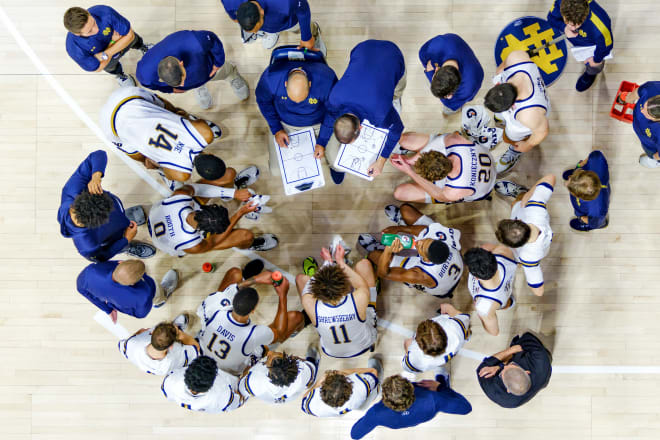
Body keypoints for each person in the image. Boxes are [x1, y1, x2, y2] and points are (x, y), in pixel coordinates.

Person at [99, 86, 247, 190]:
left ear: (211, 154)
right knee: (143, 159)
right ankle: (160, 171)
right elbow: (157, 164)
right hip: (109, 124)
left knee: (175, 112)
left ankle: (188, 122)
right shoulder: (181, 174)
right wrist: (154, 163)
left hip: (127, 97)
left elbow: (182, 118)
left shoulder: (206, 134)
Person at [316, 40, 406, 184]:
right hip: (362, 48)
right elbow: (329, 116)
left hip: (393, 55)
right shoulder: (334, 98)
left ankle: (393, 98)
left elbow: (397, 129)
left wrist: (381, 161)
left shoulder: (380, 114)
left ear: (361, 128)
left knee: (395, 93)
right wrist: (321, 142)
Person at [197, 265, 304, 375]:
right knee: (296, 318)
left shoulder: (215, 305)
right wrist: (282, 295)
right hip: (233, 371)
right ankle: (294, 331)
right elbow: (279, 333)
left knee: (234, 273)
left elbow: (227, 292)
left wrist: (255, 279)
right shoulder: (252, 335)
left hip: (204, 354)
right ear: (253, 310)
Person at [58, 150, 155, 261]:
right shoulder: (87, 244)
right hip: (114, 236)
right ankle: (128, 247)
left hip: (117, 218)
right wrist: (126, 239)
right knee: (120, 245)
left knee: (122, 216)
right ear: (98, 223)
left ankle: (126, 217)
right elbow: (101, 257)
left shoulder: (73, 189)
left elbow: (98, 154)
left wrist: (96, 176)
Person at [359, 204, 463, 298]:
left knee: (373, 255)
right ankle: (401, 221)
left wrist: (388, 250)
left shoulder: (420, 275)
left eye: (421, 247)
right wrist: (399, 229)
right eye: (426, 240)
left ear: (426, 260)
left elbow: (384, 273)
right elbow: (424, 231)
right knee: (406, 210)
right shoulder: (444, 241)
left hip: (441, 285)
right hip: (454, 267)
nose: (420, 242)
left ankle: (380, 249)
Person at [255, 57, 338, 175]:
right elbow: (263, 102)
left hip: (320, 123)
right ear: (285, 84)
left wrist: (322, 141)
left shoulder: (326, 79)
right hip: (284, 123)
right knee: (276, 171)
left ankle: (333, 167)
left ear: (310, 84)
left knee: (338, 162)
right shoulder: (270, 79)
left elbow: (333, 111)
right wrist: (276, 128)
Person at [148, 184, 278, 256]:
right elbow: (213, 242)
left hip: (157, 218)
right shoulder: (192, 244)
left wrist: (233, 193)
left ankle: (235, 193)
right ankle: (249, 245)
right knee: (246, 236)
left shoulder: (181, 195)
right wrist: (240, 213)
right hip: (170, 243)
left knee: (228, 175)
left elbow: (197, 188)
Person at [296, 244, 378, 358]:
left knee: (301, 279)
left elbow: (307, 291)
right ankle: (375, 286)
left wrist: (327, 263)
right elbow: (361, 285)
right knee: (364, 265)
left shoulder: (308, 302)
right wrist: (340, 262)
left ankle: (313, 275)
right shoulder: (359, 298)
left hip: (331, 351)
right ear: (346, 287)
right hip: (364, 344)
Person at [136, 30, 249, 110]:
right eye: (179, 84)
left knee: (224, 71)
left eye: (183, 79)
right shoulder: (145, 75)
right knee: (192, 82)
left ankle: (231, 74)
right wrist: (170, 90)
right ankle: (199, 86)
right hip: (198, 75)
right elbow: (152, 85)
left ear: (181, 63)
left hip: (209, 66)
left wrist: (218, 63)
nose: (183, 84)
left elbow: (213, 40)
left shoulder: (195, 42)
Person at [485, 50, 550, 175]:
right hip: (524, 105)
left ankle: (513, 152)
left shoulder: (527, 115)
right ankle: (502, 118)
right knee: (501, 119)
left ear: (512, 105)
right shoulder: (516, 57)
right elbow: (501, 69)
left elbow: (542, 131)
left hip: (531, 117)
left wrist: (528, 145)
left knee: (510, 137)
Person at [350, 373, 472, 439]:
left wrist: (369, 416)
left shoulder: (376, 413)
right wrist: (440, 387)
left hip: (398, 422)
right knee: (439, 379)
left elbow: (355, 434)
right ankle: (442, 380)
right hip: (426, 411)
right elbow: (466, 408)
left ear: (385, 398)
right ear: (411, 388)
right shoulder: (433, 398)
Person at [494, 174, 556, 296]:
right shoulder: (535, 206)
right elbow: (551, 178)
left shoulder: (528, 257)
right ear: (520, 221)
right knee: (520, 202)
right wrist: (529, 194)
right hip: (537, 248)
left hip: (532, 253)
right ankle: (522, 192)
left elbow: (539, 293)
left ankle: (521, 193)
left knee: (516, 204)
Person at [390, 131, 496, 204]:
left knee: (399, 193)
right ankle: (412, 153)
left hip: (484, 188)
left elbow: (440, 195)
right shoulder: (455, 140)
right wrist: (411, 160)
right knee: (405, 140)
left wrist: (410, 172)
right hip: (485, 163)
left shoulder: (453, 191)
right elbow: (437, 143)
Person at [64, 5, 150, 87]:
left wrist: (104, 54)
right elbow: (97, 68)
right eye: (89, 31)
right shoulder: (74, 48)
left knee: (135, 40)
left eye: (94, 23)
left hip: (106, 57)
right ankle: (121, 75)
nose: (96, 29)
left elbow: (130, 35)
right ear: (77, 34)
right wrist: (113, 42)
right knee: (112, 68)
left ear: (88, 13)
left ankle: (142, 47)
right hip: (116, 48)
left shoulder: (104, 12)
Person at [76, 260, 178, 323]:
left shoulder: (91, 271)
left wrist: (108, 309)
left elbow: (81, 288)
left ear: (120, 263)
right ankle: (162, 298)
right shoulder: (144, 296)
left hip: (115, 301)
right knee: (158, 294)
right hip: (152, 291)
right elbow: (141, 314)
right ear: (133, 284)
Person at [547, 0, 613, 92]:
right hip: (578, 42)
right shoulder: (559, 2)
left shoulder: (601, 25)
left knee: (596, 67)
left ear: (585, 14)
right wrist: (564, 28)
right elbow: (551, 18)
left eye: (578, 23)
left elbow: (606, 46)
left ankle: (591, 74)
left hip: (592, 46)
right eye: (569, 23)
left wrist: (596, 60)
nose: (573, 28)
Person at [477, 331, 552, 408]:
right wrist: (512, 351)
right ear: (527, 372)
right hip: (542, 378)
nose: (505, 366)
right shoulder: (541, 360)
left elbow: (482, 369)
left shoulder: (500, 396)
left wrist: (506, 356)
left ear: (508, 390)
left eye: (501, 373)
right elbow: (527, 337)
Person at [223, 0, 325, 52]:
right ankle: (271, 32)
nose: (254, 33)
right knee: (264, 28)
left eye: (257, 29)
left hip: (289, 21)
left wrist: (306, 37)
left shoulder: (286, 3)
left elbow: (303, 10)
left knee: (300, 28)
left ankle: (314, 34)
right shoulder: (230, 2)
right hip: (271, 23)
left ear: (262, 12)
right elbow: (234, 17)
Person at [418, 34, 484, 114]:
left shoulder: (468, 87)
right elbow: (422, 54)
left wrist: (429, 72)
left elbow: (452, 103)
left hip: (474, 75)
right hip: (454, 44)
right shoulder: (437, 46)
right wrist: (429, 69)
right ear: (436, 69)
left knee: (450, 108)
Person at [118, 314, 200, 375]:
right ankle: (179, 329)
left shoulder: (132, 344)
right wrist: (181, 335)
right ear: (171, 346)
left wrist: (141, 333)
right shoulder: (172, 358)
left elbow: (139, 332)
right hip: (168, 365)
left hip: (146, 364)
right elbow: (196, 347)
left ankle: (171, 333)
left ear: (152, 332)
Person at [301, 355, 383, 417]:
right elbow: (373, 372)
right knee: (374, 380)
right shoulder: (360, 386)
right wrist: (343, 373)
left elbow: (305, 397)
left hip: (348, 408)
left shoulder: (312, 406)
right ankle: (377, 391)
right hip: (362, 397)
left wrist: (318, 382)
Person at [161, 355, 246, 412]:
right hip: (232, 379)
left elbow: (166, 392)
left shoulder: (171, 381)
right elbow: (239, 401)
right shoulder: (221, 393)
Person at [401, 304, 470, 373]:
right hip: (459, 340)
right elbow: (464, 318)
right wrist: (449, 308)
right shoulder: (454, 328)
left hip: (435, 362)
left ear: (419, 342)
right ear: (441, 331)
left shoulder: (416, 359)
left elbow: (407, 345)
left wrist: (408, 348)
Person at [465, 244, 518, 336]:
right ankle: (509, 303)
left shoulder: (483, 307)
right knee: (506, 303)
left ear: (476, 277)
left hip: (495, 300)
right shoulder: (503, 251)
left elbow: (494, 332)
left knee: (504, 304)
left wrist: (481, 316)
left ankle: (508, 303)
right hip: (502, 294)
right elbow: (486, 247)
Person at [238, 347, 320, 404]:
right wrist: (298, 360)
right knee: (310, 376)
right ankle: (313, 361)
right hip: (290, 395)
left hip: (269, 397)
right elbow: (309, 370)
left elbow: (241, 388)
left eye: (268, 357)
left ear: (270, 373)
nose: (270, 352)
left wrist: (249, 367)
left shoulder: (255, 380)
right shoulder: (302, 371)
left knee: (253, 356)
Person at [563, 150, 610, 231]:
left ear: (581, 197)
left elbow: (595, 222)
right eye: (572, 177)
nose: (565, 183)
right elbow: (595, 154)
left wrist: (582, 218)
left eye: (571, 190)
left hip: (586, 211)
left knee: (594, 222)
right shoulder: (596, 158)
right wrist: (579, 165)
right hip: (600, 182)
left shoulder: (597, 209)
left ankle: (590, 225)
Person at [622, 81, 660, 168]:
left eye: (648, 114)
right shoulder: (652, 88)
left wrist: (654, 157)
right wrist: (627, 99)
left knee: (650, 153)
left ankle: (655, 162)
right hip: (643, 133)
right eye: (645, 105)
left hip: (651, 147)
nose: (642, 111)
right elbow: (634, 94)